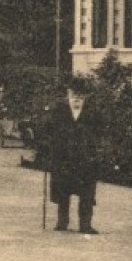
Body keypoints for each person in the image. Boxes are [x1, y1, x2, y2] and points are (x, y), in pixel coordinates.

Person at [48, 86, 100, 233]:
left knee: (87, 194)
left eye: (80, 95)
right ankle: (62, 223)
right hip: (64, 159)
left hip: (86, 160)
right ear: (68, 94)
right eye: (73, 94)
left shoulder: (92, 113)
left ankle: (85, 225)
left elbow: (100, 133)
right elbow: (50, 132)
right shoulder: (59, 111)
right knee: (63, 191)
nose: (77, 98)